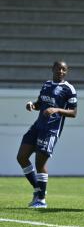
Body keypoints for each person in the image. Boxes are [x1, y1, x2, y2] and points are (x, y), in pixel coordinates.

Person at [16, 61, 77, 208]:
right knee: (21, 157)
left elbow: (74, 112)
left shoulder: (69, 89)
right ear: (53, 69)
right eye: (58, 68)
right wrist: (32, 105)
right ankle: (38, 190)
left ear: (66, 71)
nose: (61, 71)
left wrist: (57, 110)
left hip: (51, 130)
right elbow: (40, 104)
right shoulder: (47, 84)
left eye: (64, 69)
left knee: (40, 163)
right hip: (38, 126)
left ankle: (41, 200)